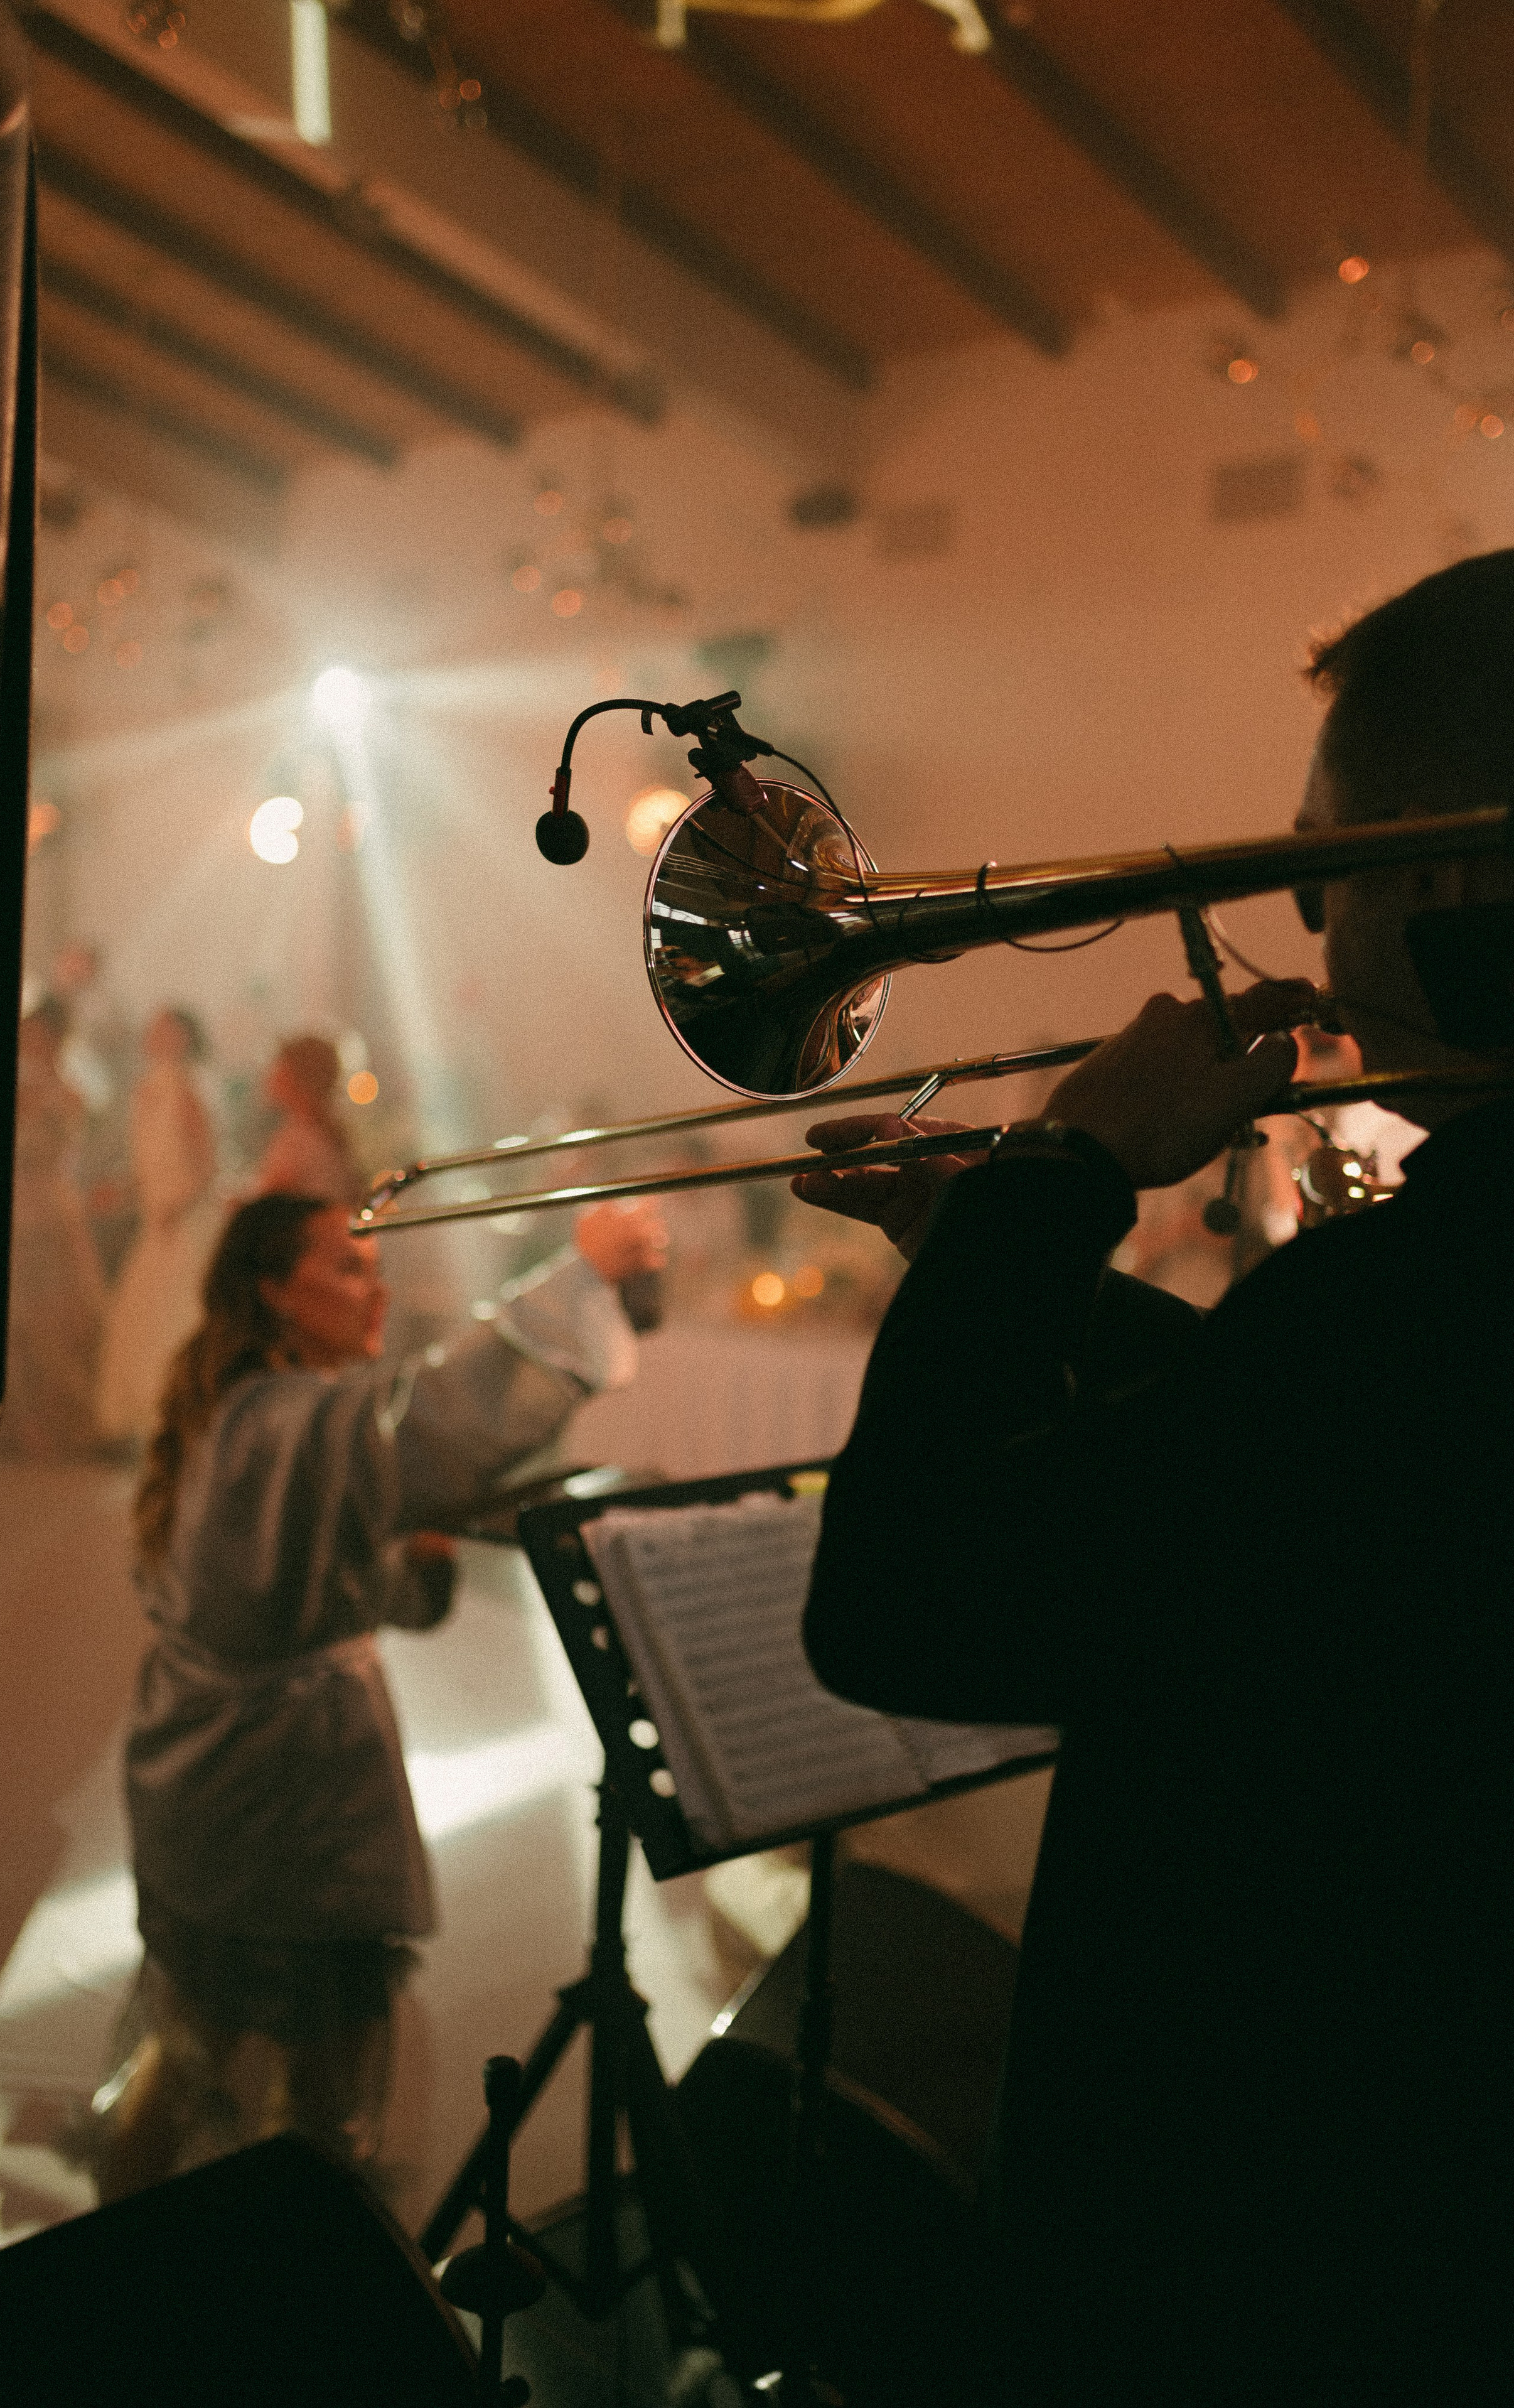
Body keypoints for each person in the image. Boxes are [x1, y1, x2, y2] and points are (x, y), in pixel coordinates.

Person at [794, 550, 1514, 2402]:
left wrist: (1051, 1187)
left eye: (1314, 853)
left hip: (1280, 2250)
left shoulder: (1402, 1301)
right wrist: (1015, 1274)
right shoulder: (1412, 1309)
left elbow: (899, 1598)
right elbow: (1307, 1519)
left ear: (1434, 870)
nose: (1288, 909)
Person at [93, 1187, 668, 2198]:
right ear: (272, 1289)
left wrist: (424, 1553)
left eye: (376, 1263)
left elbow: (362, 1584)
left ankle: (125, 2259)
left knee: (191, 2042)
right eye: (346, 1265)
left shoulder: (237, 1400)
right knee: (311, 2084)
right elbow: (428, 1421)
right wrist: (578, 1274)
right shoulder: (286, 1416)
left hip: (208, 1778)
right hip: (286, 1799)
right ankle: (301, 2290)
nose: (378, 1287)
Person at [96, 1007, 222, 1446]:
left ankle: (175, 1412)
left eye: (165, 1029)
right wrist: (126, 1190)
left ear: (183, 1038)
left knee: (176, 1310)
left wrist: (178, 1204)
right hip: (156, 1218)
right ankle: (144, 1415)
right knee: (141, 1312)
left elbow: (207, 1163)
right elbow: (149, 1160)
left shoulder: (187, 1089)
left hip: (183, 1223)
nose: (154, 1034)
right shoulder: (145, 1090)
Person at [0, 998, 107, 1460]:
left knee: (61, 1319)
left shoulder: (69, 1090)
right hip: (23, 1206)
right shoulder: (17, 1084)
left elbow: (67, 1145)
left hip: (52, 1211)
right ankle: (25, 1425)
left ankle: (59, 1422)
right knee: (19, 1319)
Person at [252, 1031, 358, 1205]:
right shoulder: (319, 1132)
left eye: (280, 1064)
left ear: (296, 1077)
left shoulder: (299, 1141)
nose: (270, 1073)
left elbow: (267, 1205)